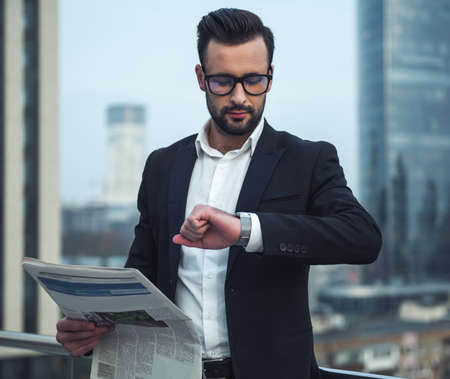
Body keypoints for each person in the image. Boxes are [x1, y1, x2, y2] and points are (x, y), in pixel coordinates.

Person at [56, 8, 382, 379]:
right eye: (223, 81)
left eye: (254, 80)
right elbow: (143, 273)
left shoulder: (307, 160)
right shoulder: (162, 165)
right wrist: (94, 324)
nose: (240, 97)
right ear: (201, 77)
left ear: (270, 77)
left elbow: (363, 238)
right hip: (170, 372)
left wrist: (246, 230)